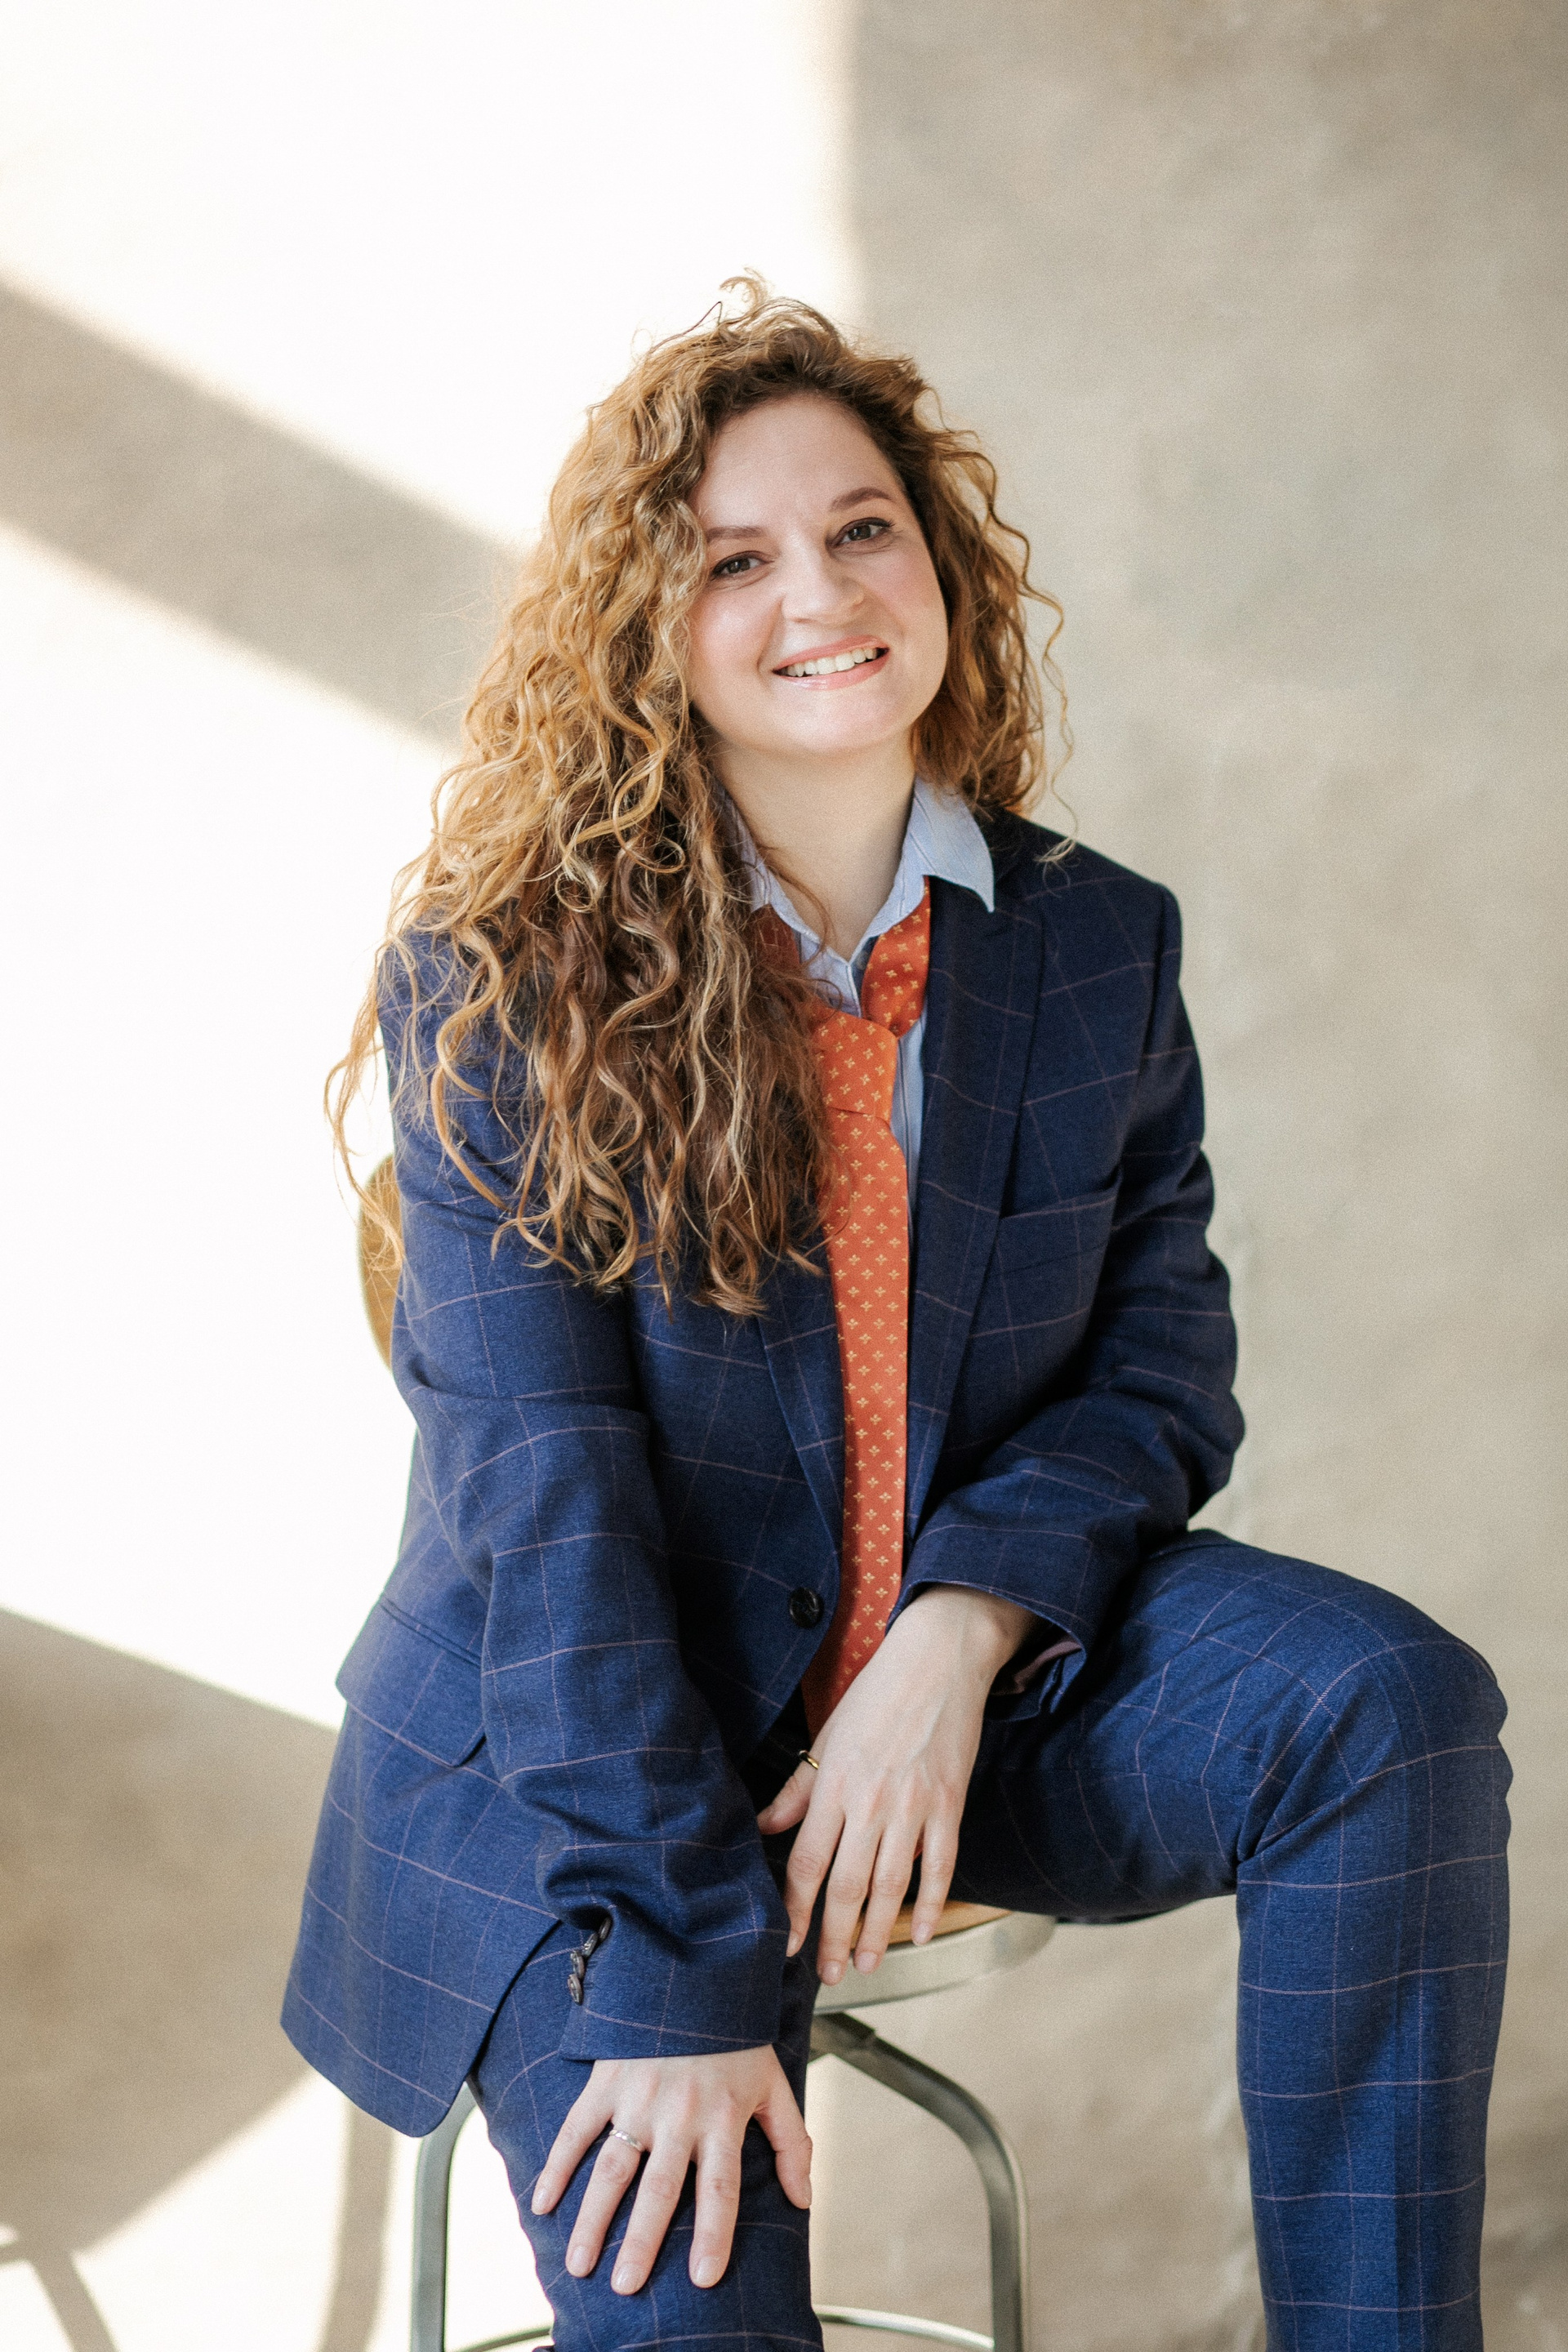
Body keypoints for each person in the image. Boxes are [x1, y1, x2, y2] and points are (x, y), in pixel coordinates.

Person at [283, 281, 1509, 2352]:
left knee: (1387, 1707)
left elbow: (1159, 1363)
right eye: (733, 559)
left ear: (939, 563)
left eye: (862, 528)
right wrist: (683, 1978)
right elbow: (547, 1521)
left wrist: (959, 1632)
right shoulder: (503, 986)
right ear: (644, 628)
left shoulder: (1093, 943)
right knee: (700, 2312)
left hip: (954, 1717)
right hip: (596, 1772)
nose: (821, 593)